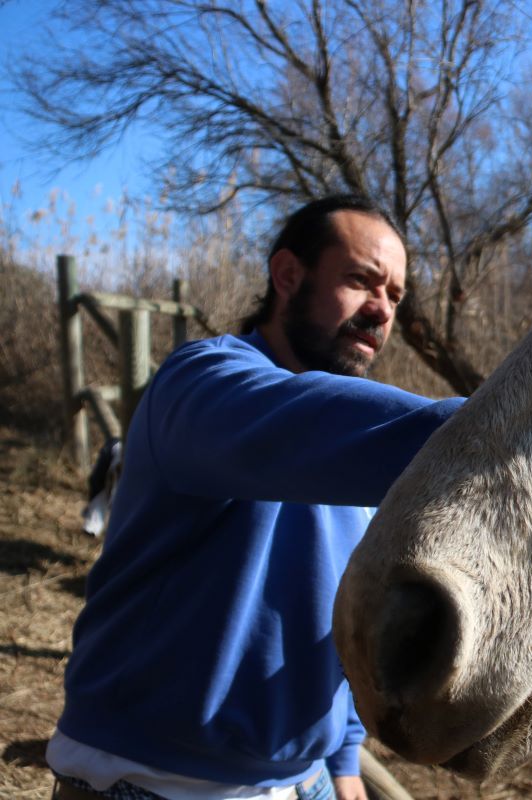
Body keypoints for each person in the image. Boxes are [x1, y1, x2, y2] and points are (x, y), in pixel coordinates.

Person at [46, 195, 465, 800]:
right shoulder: (202, 387)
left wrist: (345, 755)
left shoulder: (363, 451)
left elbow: (343, 620)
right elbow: (303, 424)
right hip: (151, 779)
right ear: (289, 276)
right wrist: (511, 430)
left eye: (394, 296)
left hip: (302, 778)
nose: (381, 310)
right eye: (361, 281)